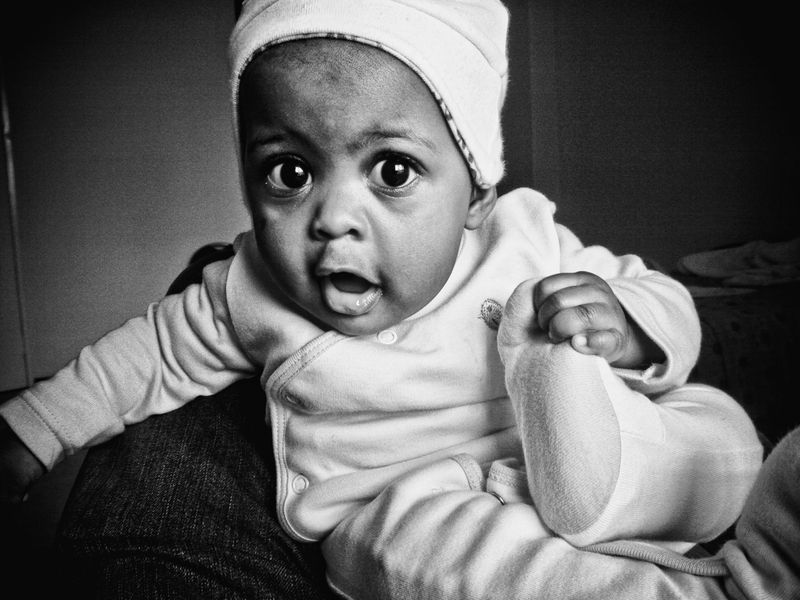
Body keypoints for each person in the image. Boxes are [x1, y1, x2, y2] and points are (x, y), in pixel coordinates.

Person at [0, 0, 777, 597]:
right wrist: (30, 432)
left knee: (706, 417)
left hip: (569, 448)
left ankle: (758, 521)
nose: (333, 219)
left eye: (392, 172)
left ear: (475, 191)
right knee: (431, 557)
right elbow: (143, 358)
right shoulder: (250, 290)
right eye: (290, 173)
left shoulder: (524, 239)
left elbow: (666, 298)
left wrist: (629, 327)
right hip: (410, 502)